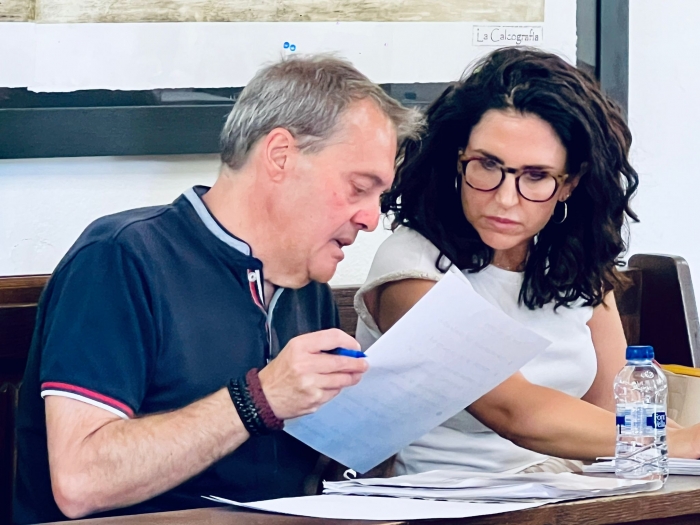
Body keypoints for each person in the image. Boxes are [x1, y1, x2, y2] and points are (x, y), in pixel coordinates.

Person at [13, 54, 423, 524]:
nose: (370, 218)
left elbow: (310, 477)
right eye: (359, 187)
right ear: (281, 156)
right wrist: (258, 399)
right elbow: (80, 482)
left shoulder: (306, 288)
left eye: (379, 197)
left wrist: (373, 437)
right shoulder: (122, 256)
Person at [355, 47, 700, 476]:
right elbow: (514, 412)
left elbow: (613, 408)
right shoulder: (411, 265)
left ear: (570, 183)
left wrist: (681, 440)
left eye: (535, 176)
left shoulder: (574, 263)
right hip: (447, 500)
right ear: (457, 160)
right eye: (487, 165)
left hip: (571, 494)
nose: (504, 198)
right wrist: (679, 440)